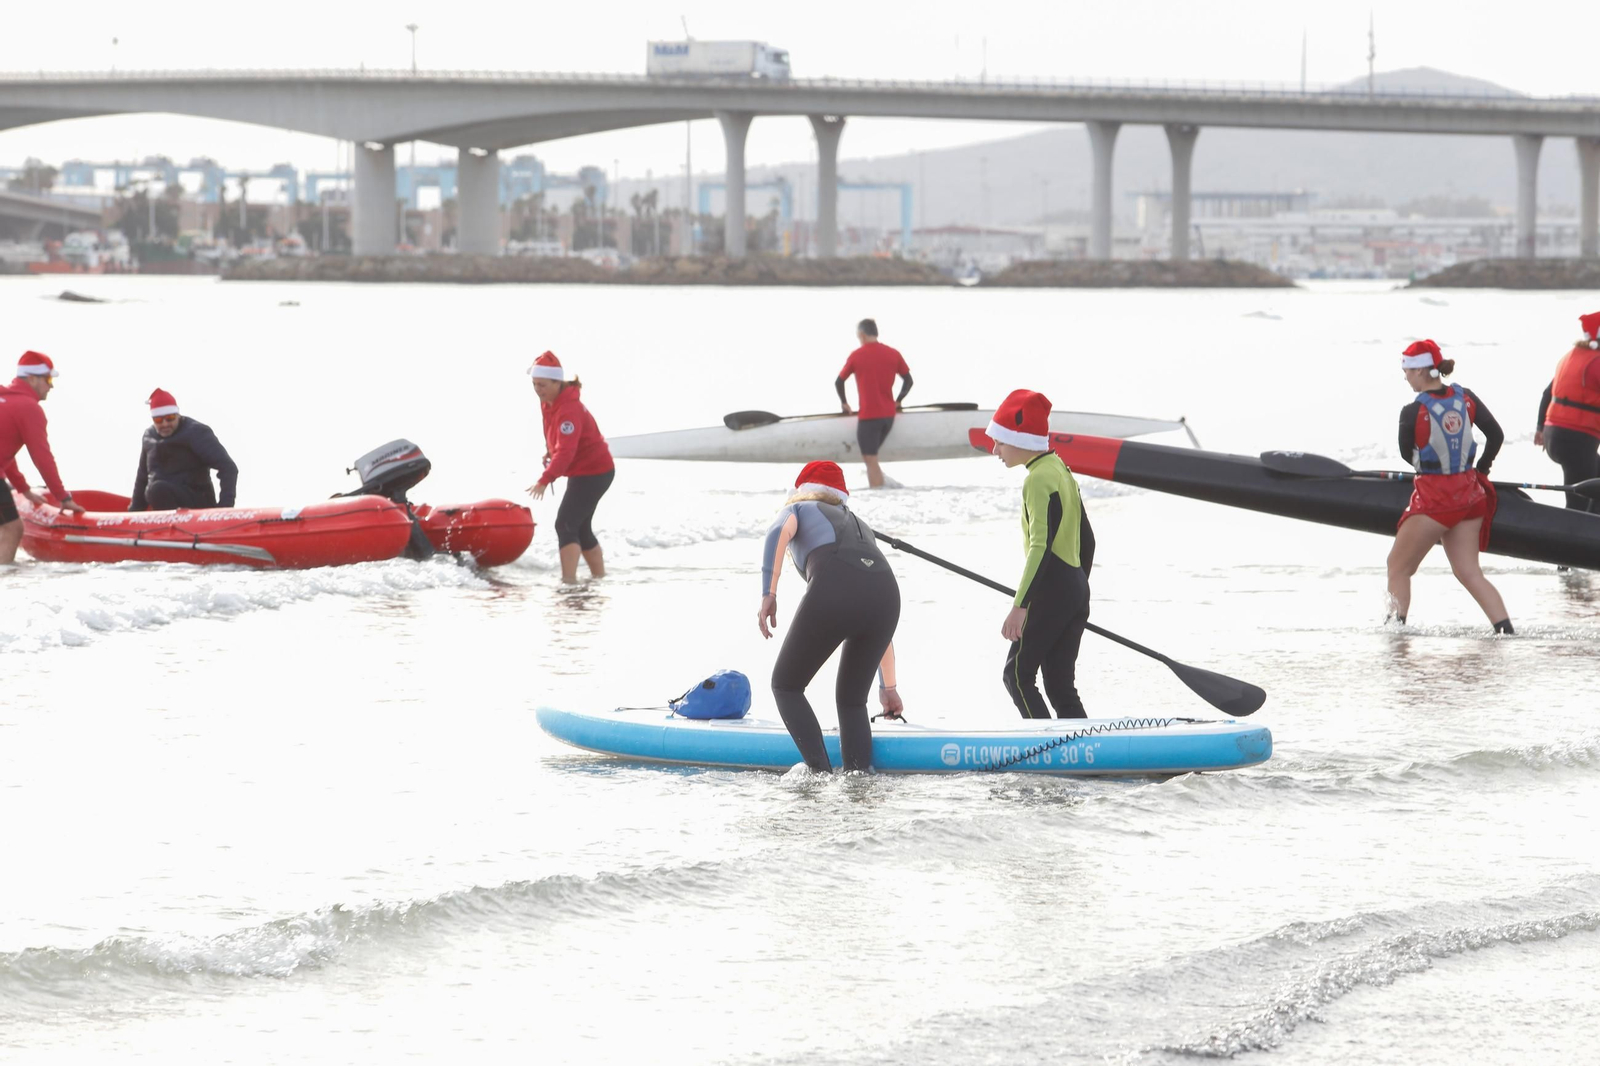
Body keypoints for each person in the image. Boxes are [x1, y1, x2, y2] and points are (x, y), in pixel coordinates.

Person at [758, 461, 902, 772]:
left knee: (786, 685)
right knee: (852, 701)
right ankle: (858, 781)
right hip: (887, 595)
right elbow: (873, 605)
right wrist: (888, 687)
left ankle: (819, 774)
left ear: (800, 491)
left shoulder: (798, 508)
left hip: (835, 587)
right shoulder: (860, 525)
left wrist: (768, 593)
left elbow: (778, 532)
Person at [983, 389, 1096, 720]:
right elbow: (1088, 541)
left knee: (1016, 676)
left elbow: (1040, 547)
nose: (995, 450)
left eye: (999, 442)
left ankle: (1047, 751)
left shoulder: (1037, 479)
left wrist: (1020, 606)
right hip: (1073, 586)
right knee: (1060, 685)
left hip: (1053, 588)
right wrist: (1075, 590)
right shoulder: (1060, 469)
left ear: (1019, 439)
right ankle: (1083, 753)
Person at [1386, 339, 1513, 634]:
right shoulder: (1465, 397)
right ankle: (1506, 632)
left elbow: (1409, 454)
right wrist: (1482, 469)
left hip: (1435, 501)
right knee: (1469, 572)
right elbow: (1496, 435)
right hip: (1471, 497)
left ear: (1419, 371)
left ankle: (1395, 636)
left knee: (1398, 566)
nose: (1405, 376)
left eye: (1406, 370)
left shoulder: (1412, 411)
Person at [526, 351, 614, 584]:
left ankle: (568, 582)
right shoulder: (550, 401)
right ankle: (599, 578)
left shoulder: (569, 408)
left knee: (565, 523)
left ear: (558, 382)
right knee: (580, 527)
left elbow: (567, 451)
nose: (538, 390)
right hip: (585, 471)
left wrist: (545, 479)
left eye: (543, 385)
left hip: (595, 472)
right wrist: (550, 450)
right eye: (535, 385)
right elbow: (559, 440)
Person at [2, 351, 85, 565]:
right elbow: (42, 457)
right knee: (12, 529)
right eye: (48, 379)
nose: (51, 386)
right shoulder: (28, 408)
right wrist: (63, 498)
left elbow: (4, 454)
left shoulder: (6, 400)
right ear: (32, 378)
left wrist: (24, 489)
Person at [129, 388, 239, 511]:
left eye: (170, 418)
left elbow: (228, 467)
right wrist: (133, 514)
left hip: (196, 501)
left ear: (178, 415)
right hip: (162, 499)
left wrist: (224, 508)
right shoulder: (149, 437)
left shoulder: (195, 433)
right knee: (154, 489)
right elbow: (142, 477)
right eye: (159, 420)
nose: (165, 424)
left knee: (157, 489)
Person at [1534, 311, 1600, 514]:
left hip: (1554, 436)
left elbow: (1547, 393)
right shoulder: (1596, 363)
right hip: (1577, 441)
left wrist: (1539, 428)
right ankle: (1581, 537)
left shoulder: (1571, 357)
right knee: (1578, 503)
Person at [835, 318, 912, 489]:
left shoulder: (857, 355)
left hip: (869, 417)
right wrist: (898, 401)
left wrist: (844, 404)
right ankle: (882, 488)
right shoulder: (893, 353)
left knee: (870, 459)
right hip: (889, 417)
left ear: (861, 335)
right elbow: (908, 380)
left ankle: (879, 493)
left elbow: (839, 382)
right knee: (872, 459)